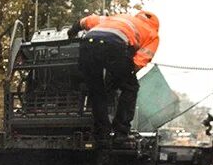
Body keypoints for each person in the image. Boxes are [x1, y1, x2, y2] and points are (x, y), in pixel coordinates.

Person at [68, 10, 160, 144]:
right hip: (115, 46)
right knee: (130, 87)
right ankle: (120, 133)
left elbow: (87, 21)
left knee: (97, 90)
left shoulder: (118, 18)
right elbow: (138, 62)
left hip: (88, 44)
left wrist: (72, 32)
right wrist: (119, 78)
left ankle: (102, 133)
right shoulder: (153, 34)